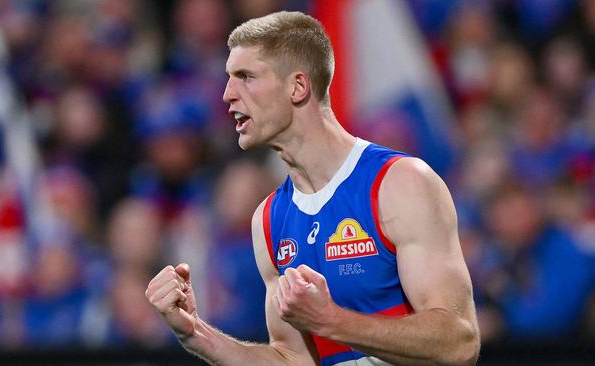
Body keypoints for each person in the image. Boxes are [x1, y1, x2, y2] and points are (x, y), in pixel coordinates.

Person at [146, 11, 480, 366]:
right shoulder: (269, 220)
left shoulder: (400, 183)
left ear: (298, 87)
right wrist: (196, 334)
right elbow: (292, 360)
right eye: (229, 79)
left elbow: (458, 342)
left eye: (245, 77)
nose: (227, 94)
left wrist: (331, 320)